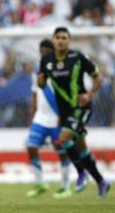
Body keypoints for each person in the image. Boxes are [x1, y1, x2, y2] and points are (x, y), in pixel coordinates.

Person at [38, 27, 111, 198]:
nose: (61, 40)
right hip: (65, 112)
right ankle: (101, 181)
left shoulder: (78, 57)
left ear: (69, 41)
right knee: (81, 147)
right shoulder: (46, 60)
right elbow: (42, 84)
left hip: (81, 107)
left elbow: (97, 76)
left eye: (64, 37)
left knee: (62, 139)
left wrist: (90, 94)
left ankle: (81, 173)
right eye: (58, 37)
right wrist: (40, 82)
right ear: (53, 40)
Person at [26, 39, 84, 199]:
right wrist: (32, 115)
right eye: (41, 52)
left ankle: (65, 186)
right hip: (40, 118)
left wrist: (63, 115)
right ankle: (40, 183)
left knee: (62, 152)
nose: (43, 55)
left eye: (46, 52)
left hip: (57, 118)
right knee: (31, 147)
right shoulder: (37, 72)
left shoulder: (60, 71)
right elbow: (34, 94)